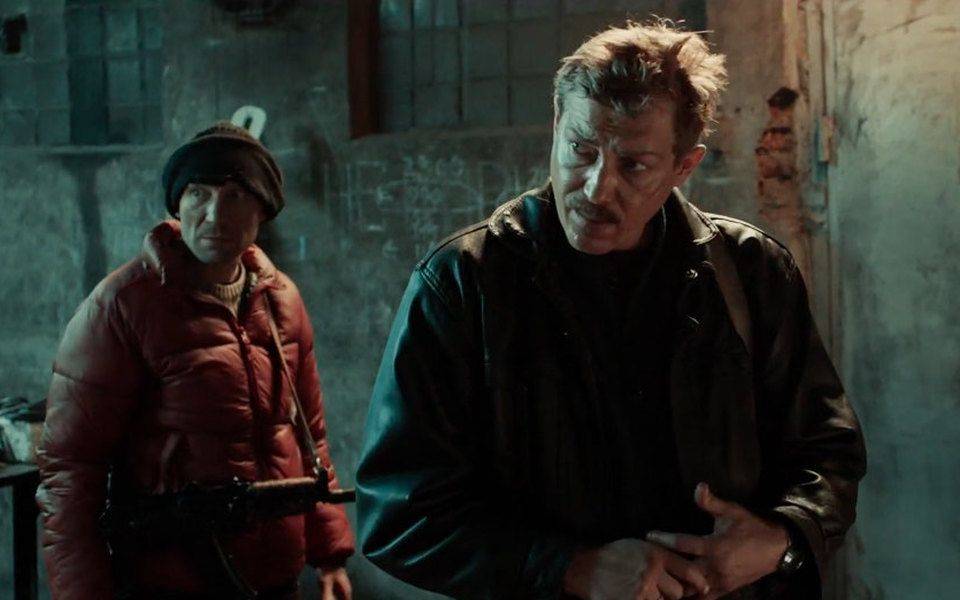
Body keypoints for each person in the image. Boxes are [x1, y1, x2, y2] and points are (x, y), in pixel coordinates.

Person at [356, 20, 866, 600]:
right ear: (556, 126)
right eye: (581, 150)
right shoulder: (462, 283)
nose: (597, 188)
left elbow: (829, 451)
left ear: (684, 166)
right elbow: (399, 514)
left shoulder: (751, 272)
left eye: (634, 165)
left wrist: (781, 538)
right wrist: (567, 568)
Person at [36, 122, 354, 600]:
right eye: (198, 194)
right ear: (177, 205)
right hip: (171, 577)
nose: (214, 214)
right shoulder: (124, 305)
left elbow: (310, 434)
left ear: (262, 211)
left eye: (235, 197)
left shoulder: (282, 300)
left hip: (274, 575)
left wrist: (330, 555)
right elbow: (71, 469)